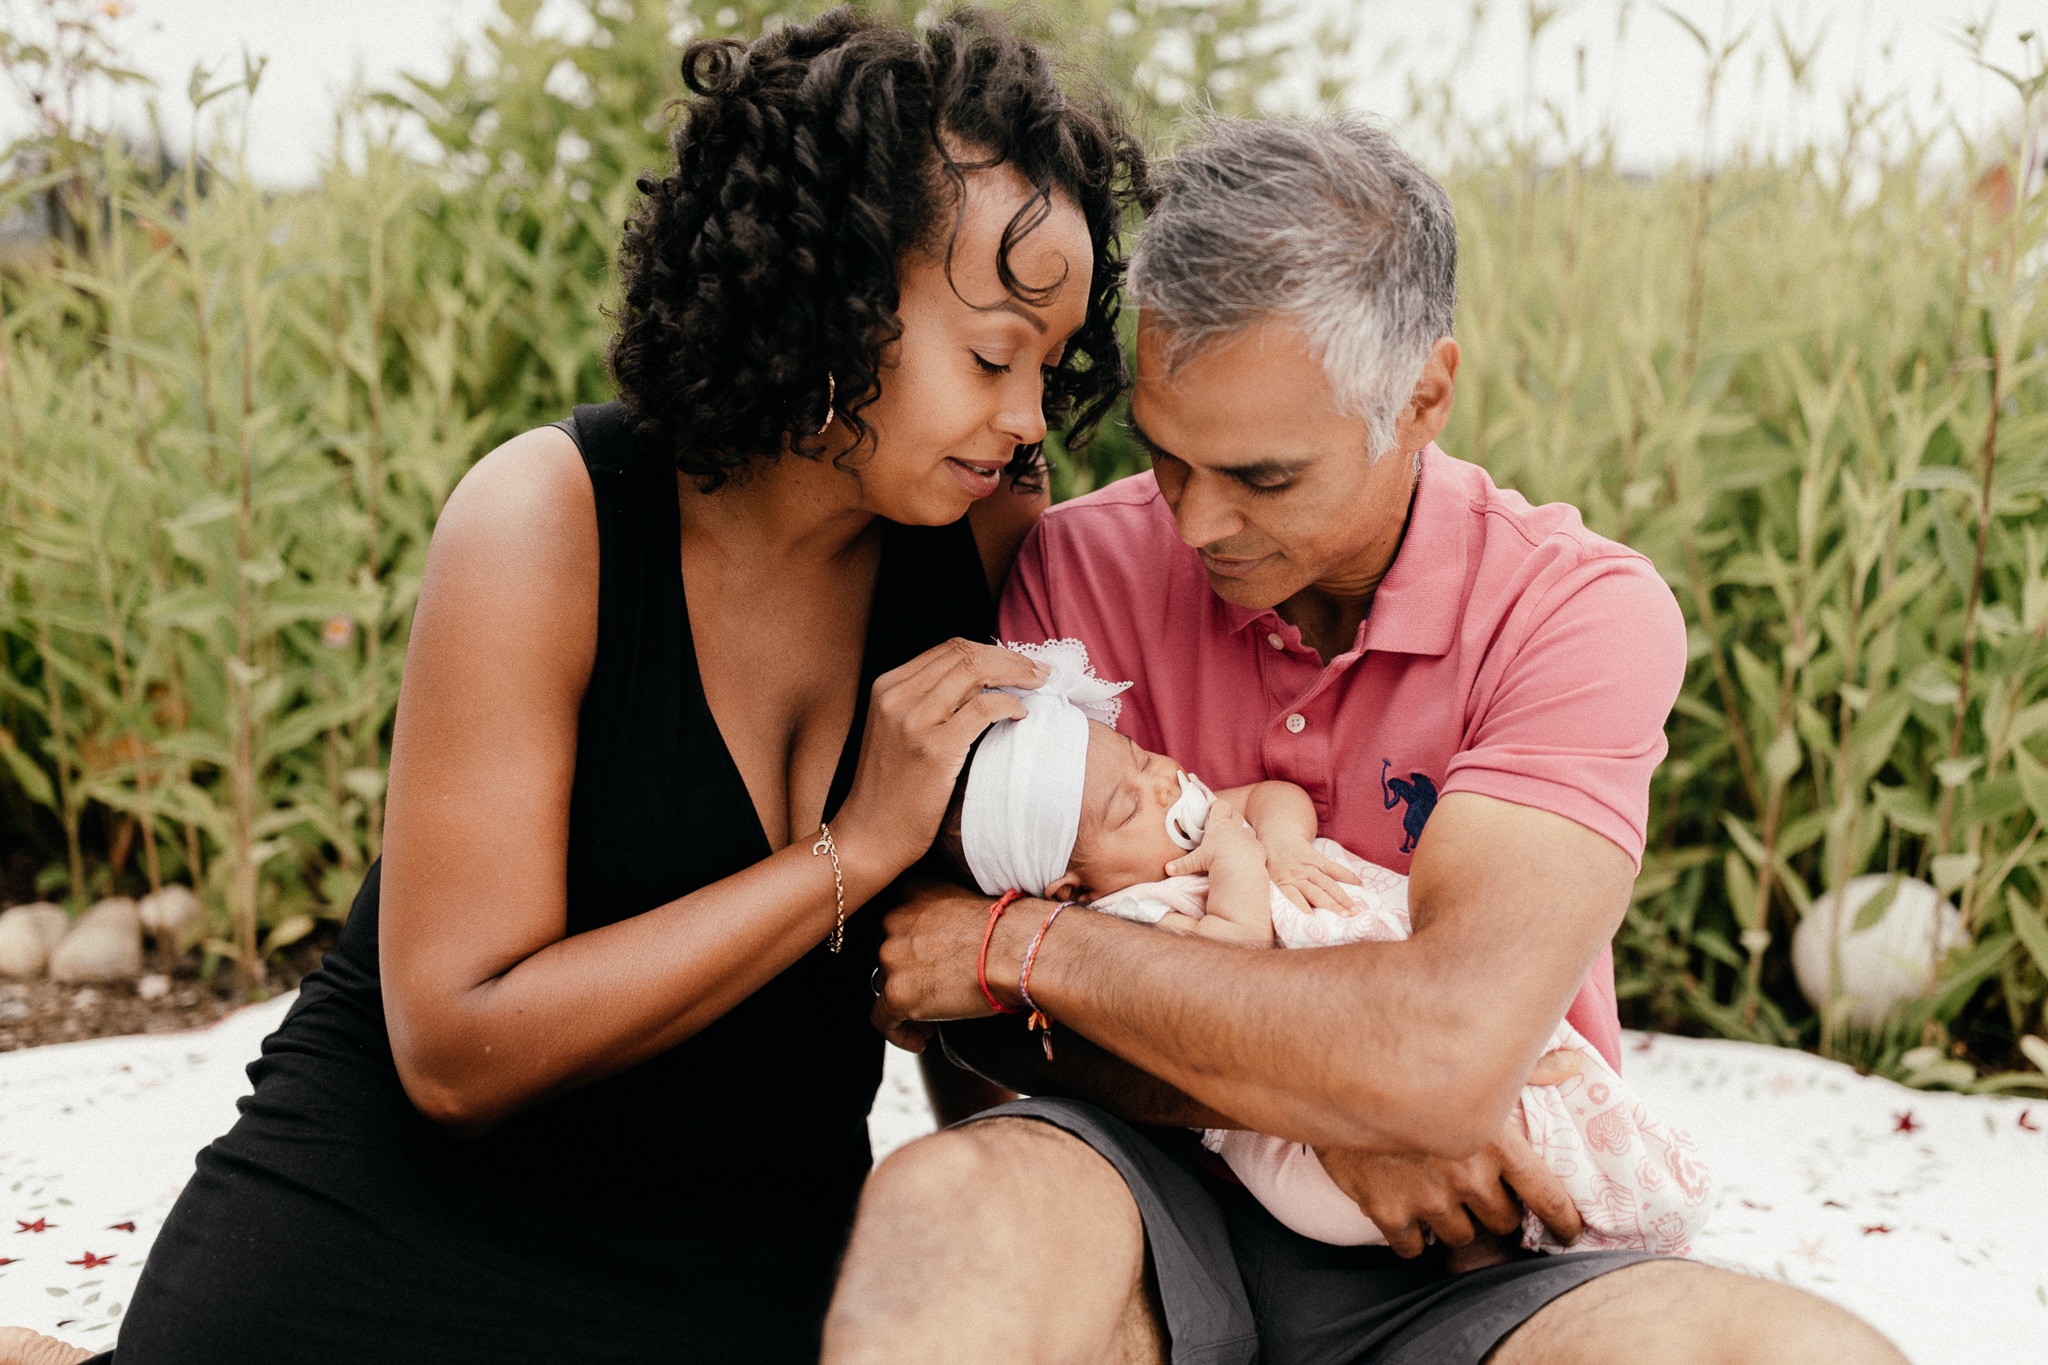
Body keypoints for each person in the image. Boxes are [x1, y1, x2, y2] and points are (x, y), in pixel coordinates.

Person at [0, 10, 1147, 1364]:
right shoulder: (546, 521)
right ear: (826, 291)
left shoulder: (985, 534)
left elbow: (985, 977)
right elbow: (452, 1049)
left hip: (746, 1262)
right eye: (990, 357)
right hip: (395, 1229)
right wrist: (852, 853)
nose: (1028, 421)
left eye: (1047, 365)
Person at [831, 117, 1908, 1364]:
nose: (1193, 522)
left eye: (1263, 478)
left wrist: (1022, 944)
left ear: (1422, 396)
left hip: (1481, 1245)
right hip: (1144, 1191)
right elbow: (949, 1008)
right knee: (940, 1222)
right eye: (1162, 456)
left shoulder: (1572, 612)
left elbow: (1441, 1059)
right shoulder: (1076, 565)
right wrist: (1322, 1112)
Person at [928, 638, 1713, 1260]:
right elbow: (1221, 971)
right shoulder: (1130, 915)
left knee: (1501, 1047)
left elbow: (1274, 797)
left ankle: (1562, 1139)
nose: (1168, 783)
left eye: (1143, 758)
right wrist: (1237, 861)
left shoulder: (1193, 812)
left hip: (1349, 985)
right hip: (1282, 1140)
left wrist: (1279, 842)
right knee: (1343, 1183)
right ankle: (1508, 1193)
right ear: (1067, 888)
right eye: (1130, 800)